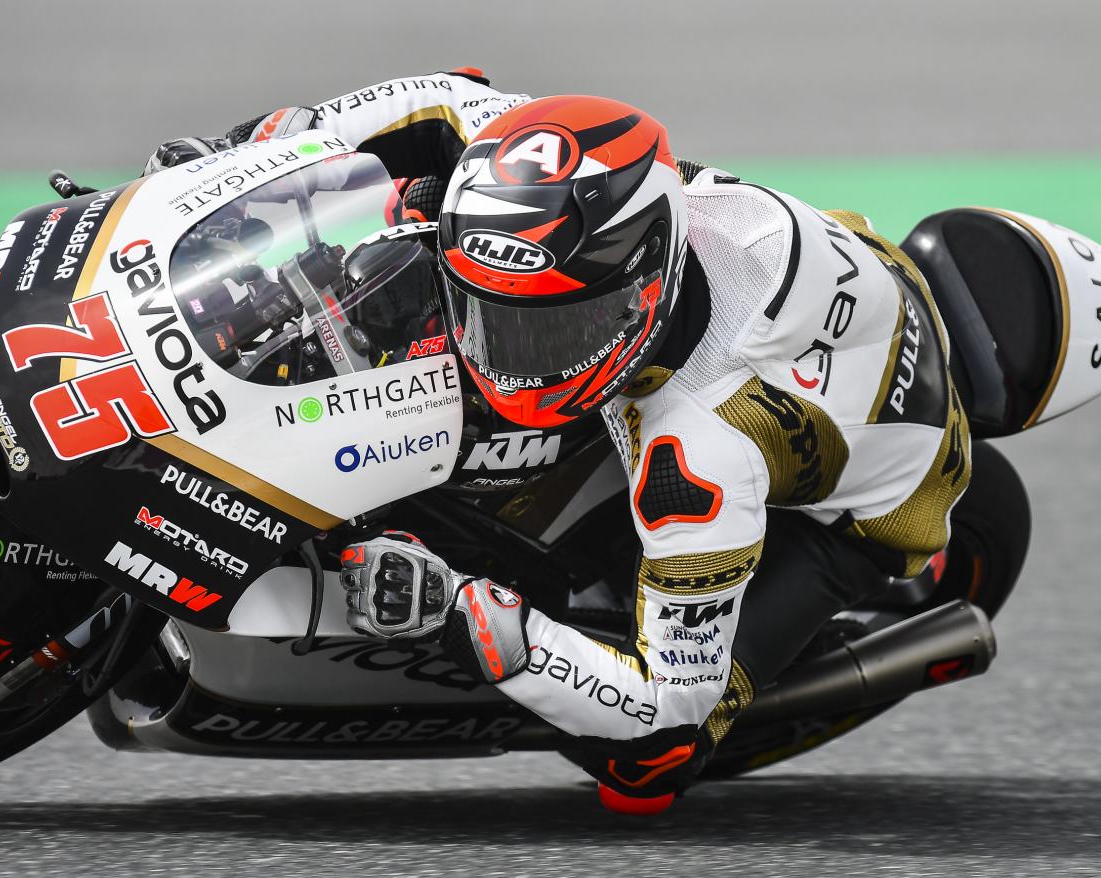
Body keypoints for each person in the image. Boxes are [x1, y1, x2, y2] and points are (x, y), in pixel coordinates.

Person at [148, 69, 972, 811]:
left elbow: (665, 711)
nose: (504, 357)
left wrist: (459, 614)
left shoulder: (700, 455)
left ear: (641, 293)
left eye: (549, 331)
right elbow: (444, 94)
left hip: (875, 500)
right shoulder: (547, 170)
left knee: (640, 769)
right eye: (486, 314)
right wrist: (252, 149)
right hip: (831, 279)